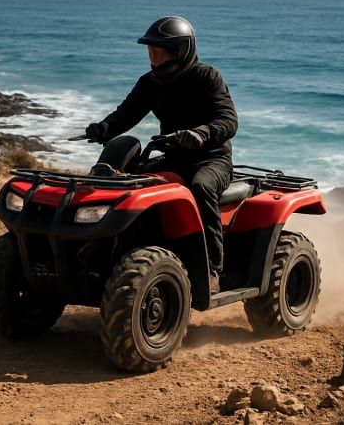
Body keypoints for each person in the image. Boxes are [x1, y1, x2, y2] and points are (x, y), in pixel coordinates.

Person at [84, 15, 238, 294]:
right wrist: (104, 128)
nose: (152, 58)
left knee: (200, 187)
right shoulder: (150, 82)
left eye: (158, 52)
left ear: (180, 52)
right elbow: (127, 113)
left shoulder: (207, 77)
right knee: (131, 187)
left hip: (212, 158)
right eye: (150, 52)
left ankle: (213, 269)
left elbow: (228, 120)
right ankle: (112, 257)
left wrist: (202, 133)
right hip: (173, 157)